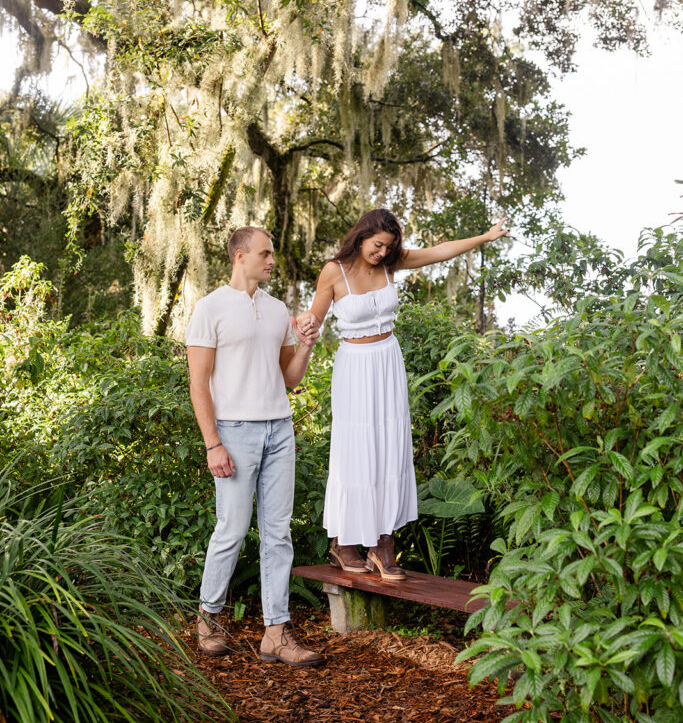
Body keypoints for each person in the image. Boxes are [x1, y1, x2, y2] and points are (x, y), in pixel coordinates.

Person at [296, 209, 508, 581]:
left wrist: (484, 237)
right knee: (356, 449)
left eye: (388, 247)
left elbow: (440, 251)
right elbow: (314, 319)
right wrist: (306, 325)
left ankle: (382, 544)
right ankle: (343, 543)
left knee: (390, 447)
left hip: (387, 362)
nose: (381, 253)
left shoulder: (392, 265)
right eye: (377, 245)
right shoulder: (334, 272)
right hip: (354, 366)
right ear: (361, 236)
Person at [185, 226, 323, 667]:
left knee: (279, 534)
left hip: (279, 429)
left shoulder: (278, 308)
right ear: (240, 256)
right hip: (235, 431)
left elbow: (290, 378)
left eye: (273, 254)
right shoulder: (210, 308)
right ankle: (207, 618)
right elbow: (198, 382)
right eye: (265, 253)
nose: (271, 260)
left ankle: (276, 634)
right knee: (232, 528)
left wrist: (305, 345)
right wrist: (213, 444)